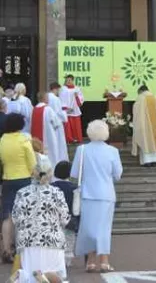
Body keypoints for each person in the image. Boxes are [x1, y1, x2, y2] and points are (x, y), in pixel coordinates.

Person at [71, 120, 123, 273]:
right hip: (106, 194)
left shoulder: (81, 150)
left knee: (88, 228)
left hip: (87, 193)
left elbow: (74, 173)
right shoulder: (113, 151)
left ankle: (91, 261)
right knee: (104, 228)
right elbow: (117, 174)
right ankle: (104, 261)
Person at [12, 153, 70, 282]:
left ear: (33, 172)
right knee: (57, 277)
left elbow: (15, 219)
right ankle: (43, 278)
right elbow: (65, 218)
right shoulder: (56, 192)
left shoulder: (22, 192)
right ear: (50, 173)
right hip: (53, 241)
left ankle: (23, 277)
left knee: (29, 277)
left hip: (28, 242)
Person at [0, 113, 36, 263]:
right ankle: (23, 249)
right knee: (25, 215)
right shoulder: (24, 140)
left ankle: (6, 249)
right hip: (24, 179)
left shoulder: (2, 140)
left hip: (7, 179)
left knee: (7, 216)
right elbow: (32, 163)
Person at [132, 85, 156, 166]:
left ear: (140, 91)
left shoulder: (140, 98)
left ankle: (147, 161)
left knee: (145, 140)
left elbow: (136, 112)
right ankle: (155, 160)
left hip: (144, 126)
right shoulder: (155, 97)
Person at [31, 92, 68, 169]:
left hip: (36, 138)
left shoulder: (34, 109)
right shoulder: (48, 109)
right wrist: (64, 114)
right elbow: (57, 123)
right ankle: (51, 170)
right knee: (50, 155)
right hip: (48, 137)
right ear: (45, 98)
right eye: (47, 97)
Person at [52, 161, 78, 267]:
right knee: (69, 238)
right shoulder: (74, 188)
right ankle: (67, 258)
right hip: (70, 218)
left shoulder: (51, 187)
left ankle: (56, 258)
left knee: (55, 239)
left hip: (54, 219)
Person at [59, 75, 84, 144]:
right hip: (67, 110)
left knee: (76, 126)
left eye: (69, 80)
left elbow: (81, 99)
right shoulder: (63, 89)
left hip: (75, 110)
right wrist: (66, 108)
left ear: (72, 80)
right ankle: (69, 139)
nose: (68, 81)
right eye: (67, 80)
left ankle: (78, 139)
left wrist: (77, 97)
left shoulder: (77, 89)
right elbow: (61, 99)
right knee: (68, 126)